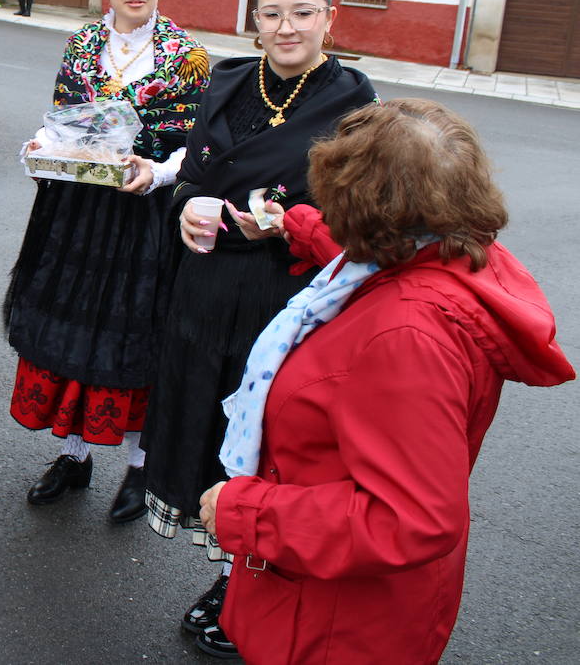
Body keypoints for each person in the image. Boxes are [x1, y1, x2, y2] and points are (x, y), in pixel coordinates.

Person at [200, 98, 573, 664]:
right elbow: (361, 260)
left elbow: (411, 518)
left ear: (361, 208)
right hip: (347, 600)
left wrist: (244, 511)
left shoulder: (403, 338)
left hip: (339, 624)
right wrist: (293, 225)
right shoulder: (448, 253)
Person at [140, 0, 378, 659]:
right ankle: (229, 568)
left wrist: (287, 222)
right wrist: (192, 208)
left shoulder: (354, 103)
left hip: (286, 298)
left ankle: (241, 581)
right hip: (205, 293)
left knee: (268, 448)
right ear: (255, 18)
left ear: (330, 17)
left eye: (303, 12)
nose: (286, 27)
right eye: (272, 13)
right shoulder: (228, 80)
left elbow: (358, 220)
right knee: (208, 431)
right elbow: (191, 175)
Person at [4, 0, 210, 521]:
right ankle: (73, 457)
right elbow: (65, 122)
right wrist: (42, 148)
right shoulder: (82, 44)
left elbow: (195, 147)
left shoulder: (187, 57)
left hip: (144, 215)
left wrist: (157, 172)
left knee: (135, 339)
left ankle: (140, 470)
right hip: (77, 212)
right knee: (71, 331)